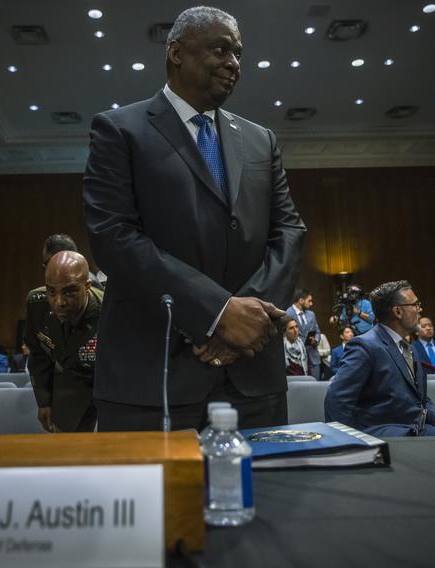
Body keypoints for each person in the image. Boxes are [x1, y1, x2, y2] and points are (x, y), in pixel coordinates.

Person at [82, 6, 306, 431]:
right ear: (177, 53)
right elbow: (113, 236)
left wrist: (248, 321)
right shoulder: (119, 130)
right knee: (152, 499)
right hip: (154, 377)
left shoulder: (262, 140)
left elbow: (290, 231)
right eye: (220, 49)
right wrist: (218, 313)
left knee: (263, 497)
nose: (234, 63)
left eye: (238, 53)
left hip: (252, 379)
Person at [324, 281, 435, 437]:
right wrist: (357, 444)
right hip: (389, 437)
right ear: (398, 312)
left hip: (416, 431)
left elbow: (419, 399)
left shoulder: (409, 348)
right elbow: (336, 401)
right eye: (415, 304)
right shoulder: (364, 346)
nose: (420, 309)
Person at [25, 251, 101, 432]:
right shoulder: (37, 305)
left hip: (107, 390)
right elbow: (38, 356)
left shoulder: (108, 311)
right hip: (67, 388)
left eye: (69, 292)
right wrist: (44, 401)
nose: (59, 302)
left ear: (87, 286)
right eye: (51, 291)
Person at [286, 289, 322, 379]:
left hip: (313, 358)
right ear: (301, 300)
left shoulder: (311, 314)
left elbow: (317, 331)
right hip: (296, 359)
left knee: (316, 389)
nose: (311, 304)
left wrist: (316, 340)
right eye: (309, 301)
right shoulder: (287, 313)